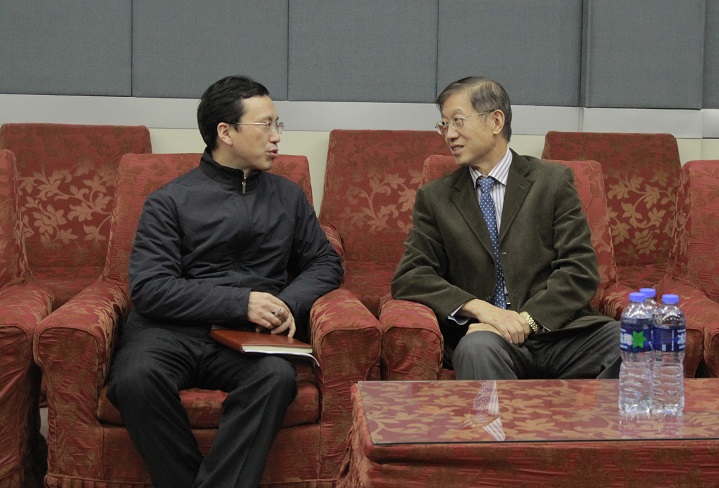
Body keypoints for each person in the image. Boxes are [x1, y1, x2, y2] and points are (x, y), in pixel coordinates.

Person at [107, 75, 343, 488]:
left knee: (276, 379)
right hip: (169, 334)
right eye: (265, 125)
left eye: (277, 124)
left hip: (247, 339)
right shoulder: (169, 200)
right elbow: (150, 288)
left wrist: (288, 302)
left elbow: (325, 263)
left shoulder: (288, 197)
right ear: (226, 132)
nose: (276, 136)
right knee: (134, 379)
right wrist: (241, 301)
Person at [391, 76, 620, 380]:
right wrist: (482, 310)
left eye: (458, 121)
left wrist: (526, 321)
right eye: (444, 125)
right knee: (476, 350)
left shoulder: (551, 182)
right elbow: (411, 276)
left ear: (496, 121)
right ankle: (506, 415)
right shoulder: (436, 198)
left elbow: (579, 270)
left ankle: (583, 416)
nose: (449, 134)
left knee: (634, 341)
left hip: (560, 334)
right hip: (487, 338)